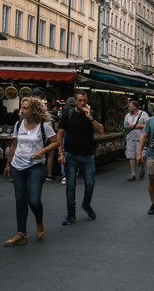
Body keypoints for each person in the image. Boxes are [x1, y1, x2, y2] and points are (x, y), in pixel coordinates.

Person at [2, 97, 59, 246]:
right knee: (20, 200)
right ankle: (21, 233)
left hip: (35, 167)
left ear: (34, 110)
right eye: (22, 107)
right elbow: (14, 145)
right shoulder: (18, 124)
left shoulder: (44, 126)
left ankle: (39, 222)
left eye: (25, 108)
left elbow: (56, 142)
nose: (22, 110)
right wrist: (9, 163)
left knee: (33, 200)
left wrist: (42, 151)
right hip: (17, 166)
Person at [57, 90, 104, 225]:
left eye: (84, 100)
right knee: (70, 186)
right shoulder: (68, 115)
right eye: (80, 100)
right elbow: (59, 135)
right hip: (71, 155)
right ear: (75, 101)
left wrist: (90, 118)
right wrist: (60, 153)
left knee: (90, 183)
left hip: (88, 155)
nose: (82, 103)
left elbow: (101, 129)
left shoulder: (92, 114)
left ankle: (86, 204)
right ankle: (71, 214)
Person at [123, 100, 149, 181]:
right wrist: (129, 127)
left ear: (134, 107)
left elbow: (148, 125)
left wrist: (136, 126)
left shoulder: (143, 114)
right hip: (130, 138)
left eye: (130, 106)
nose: (128, 108)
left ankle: (142, 169)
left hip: (140, 138)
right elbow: (124, 126)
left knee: (141, 155)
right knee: (131, 156)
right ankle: (133, 173)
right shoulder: (127, 115)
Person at [45, 101, 61, 181]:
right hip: (52, 138)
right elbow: (56, 129)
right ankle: (49, 174)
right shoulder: (55, 117)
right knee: (50, 156)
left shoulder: (44, 115)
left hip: (43, 138)